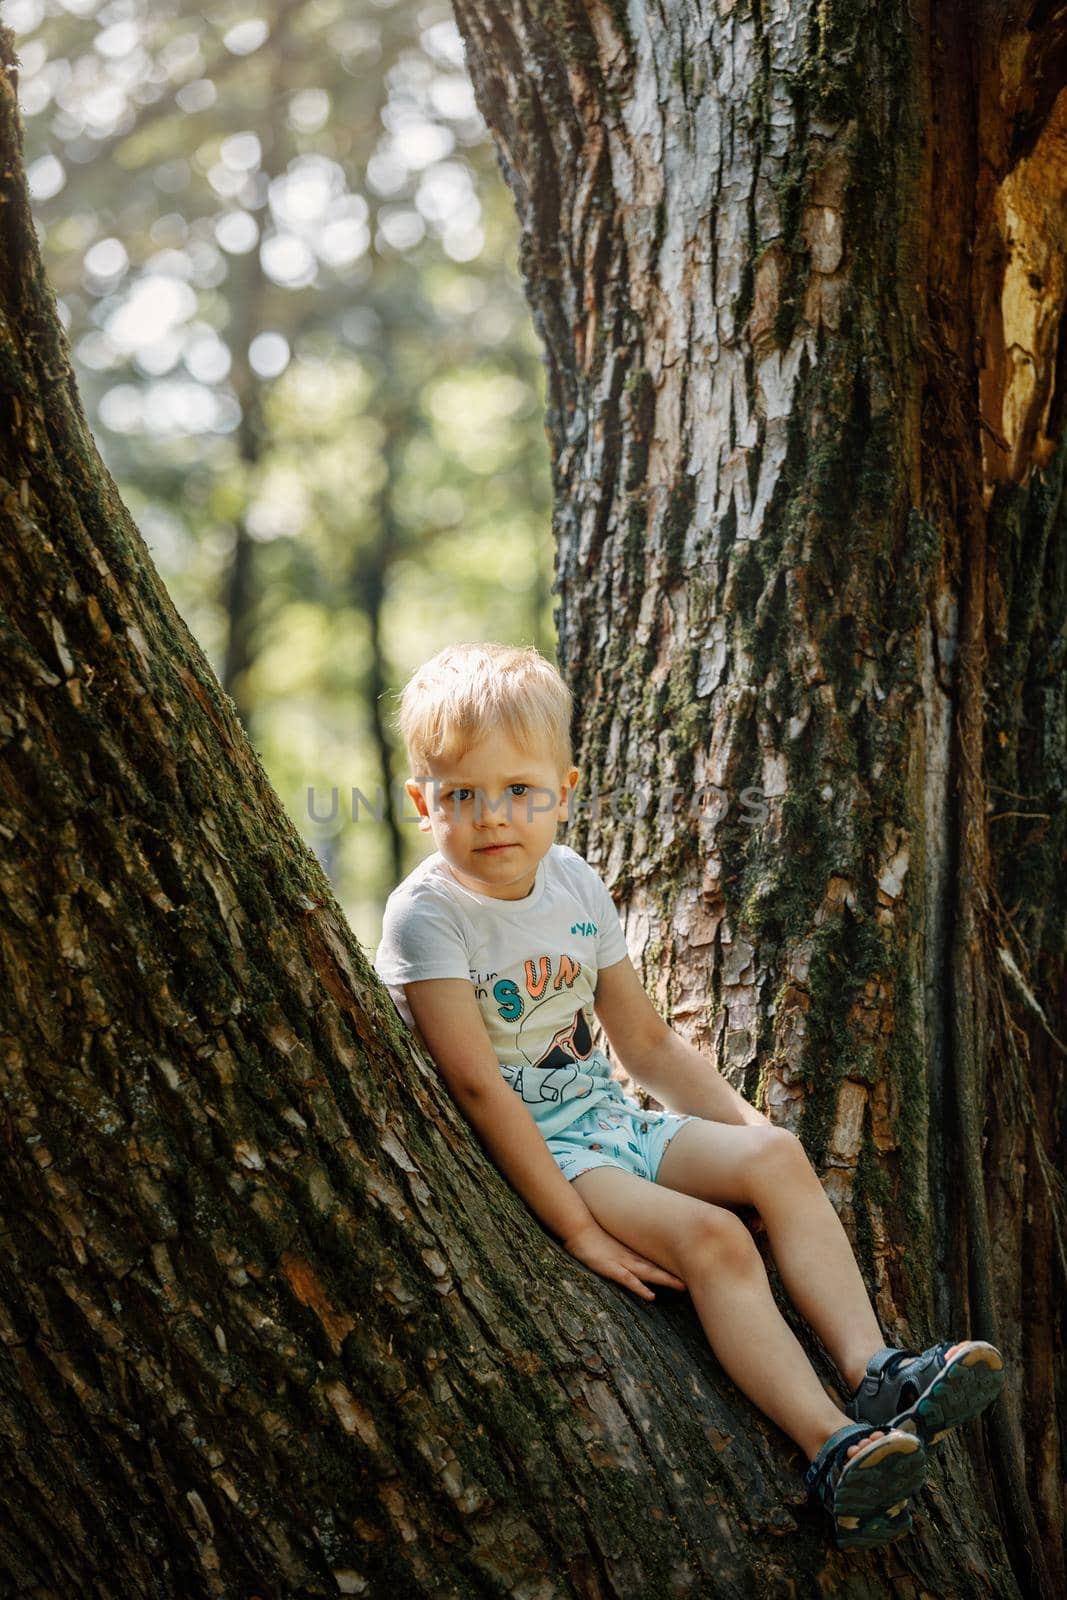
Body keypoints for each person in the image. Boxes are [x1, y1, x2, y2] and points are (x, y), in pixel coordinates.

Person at [373, 641, 1005, 1550]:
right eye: (461, 794)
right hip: (550, 1155)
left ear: (564, 787)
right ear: (421, 800)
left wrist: (748, 1136)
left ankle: (878, 1371)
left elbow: (645, 1042)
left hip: (610, 1120)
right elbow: (478, 1088)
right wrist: (577, 1229)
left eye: (519, 790)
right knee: (711, 1237)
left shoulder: (573, 882)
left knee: (777, 1158)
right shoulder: (429, 914)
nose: (492, 817)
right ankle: (833, 1448)